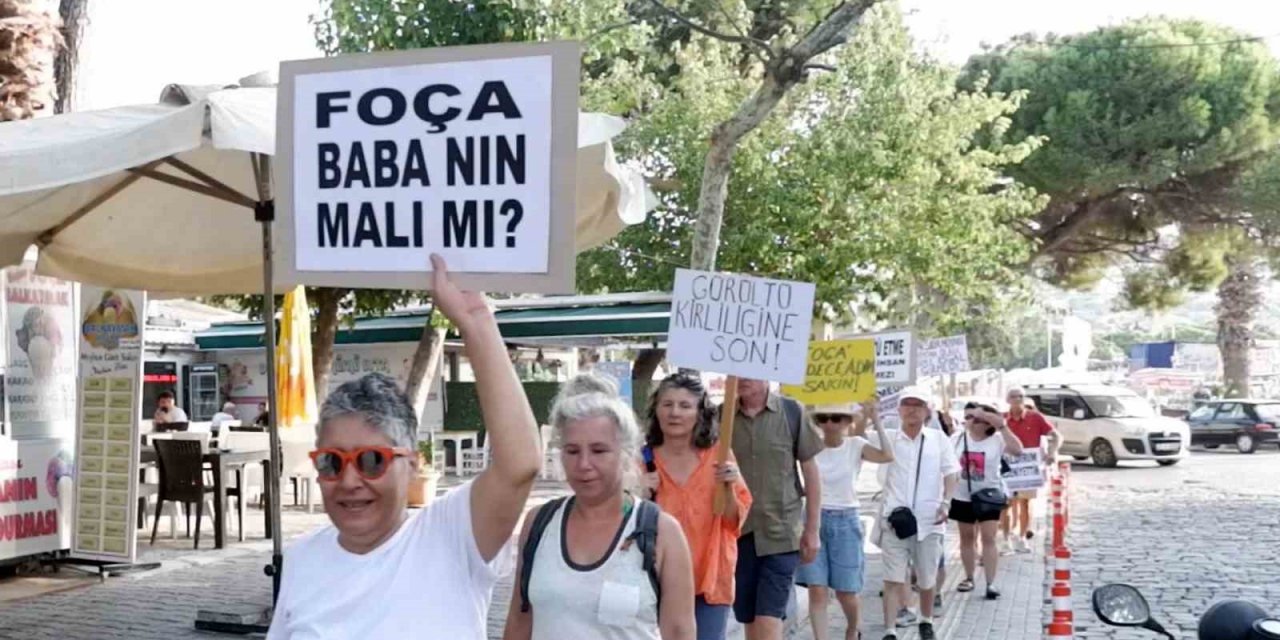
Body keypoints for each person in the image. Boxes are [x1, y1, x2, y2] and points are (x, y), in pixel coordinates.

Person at [267, 255, 543, 639]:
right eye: (332, 462)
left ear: (412, 464)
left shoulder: (452, 537)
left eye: (371, 461)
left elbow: (520, 464)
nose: (349, 482)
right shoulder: (301, 559)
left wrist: (476, 320)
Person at [504, 374, 696, 640]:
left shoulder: (662, 533)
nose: (584, 464)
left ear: (626, 453)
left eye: (598, 451)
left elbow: (679, 632)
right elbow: (519, 618)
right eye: (572, 451)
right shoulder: (539, 523)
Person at [640, 372, 752, 640]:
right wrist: (639, 492)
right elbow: (619, 521)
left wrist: (728, 488)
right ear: (656, 409)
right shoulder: (641, 458)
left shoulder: (719, 455)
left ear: (700, 413)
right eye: (667, 404)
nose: (674, 413)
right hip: (655, 583)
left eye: (685, 405)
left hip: (710, 580)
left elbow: (733, 523)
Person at [730, 379, 824, 640]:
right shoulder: (721, 417)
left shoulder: (792, 412)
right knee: (749, 619)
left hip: (781, 533)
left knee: (769, 618)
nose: (739, 379)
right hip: (737, 533)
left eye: (746, 373)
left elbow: (811, 473)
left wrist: (812, 530)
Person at [796, 401, 894, 640]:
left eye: (836, 418)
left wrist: (876, 420)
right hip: (813, 518)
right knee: (817, 590)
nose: (829, 423)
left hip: (846, 520)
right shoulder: (809, 446)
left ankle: (853, 628)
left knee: (845, 591)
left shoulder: (855, 445)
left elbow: (886, 455)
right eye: (823, 418)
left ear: (848, 422)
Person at [879, 387, 959, 640]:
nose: (912, 409)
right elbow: (855, 437)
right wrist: (869, 414)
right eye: (907, 404)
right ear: (899, 409)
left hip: (929, 519)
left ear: (927, 411)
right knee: (892, 578)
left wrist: (945, 503)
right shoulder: (888, 438)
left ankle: (926, 620)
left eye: (918, 405)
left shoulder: (938, 439)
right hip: (895, 520)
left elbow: (951, 473)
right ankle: (890, 629)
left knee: (927, 579)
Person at [949, 403, 1022, 600]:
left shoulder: (997, 439)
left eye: (978, 417)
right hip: (962, 494)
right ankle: (969, 577)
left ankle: (991, 583)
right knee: (966, 537)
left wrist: (1002, 425)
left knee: (988, 538)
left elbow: (1018, 450)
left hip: (988, 495)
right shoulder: (957, 438)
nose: (972, 421)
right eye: (969, 417)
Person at [1000, 388, 1061, 554]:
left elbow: (1055, 435)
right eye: (1013, 396)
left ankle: (1022, 538)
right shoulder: (1002, 419)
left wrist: (1051, 453)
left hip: (1028, 467)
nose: (1017, 399)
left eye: (1020, 396)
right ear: (1007, 399)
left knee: (1025, 503)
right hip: (1008, 467)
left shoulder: (1035, 417)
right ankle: (1006, 540)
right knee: (1006, 504)